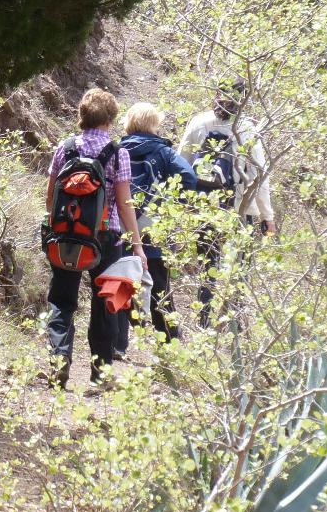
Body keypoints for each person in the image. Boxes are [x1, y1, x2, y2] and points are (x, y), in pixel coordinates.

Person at [40, 87, 143, 389]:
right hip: (106, 238)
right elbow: (124, 204)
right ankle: (101, 374)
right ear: (110, 119)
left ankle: (59, 362)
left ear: (81, 115)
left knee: (61, 301)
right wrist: (136, 244)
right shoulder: (117, 153)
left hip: (67, 237)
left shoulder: (65, 148)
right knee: (105, 303)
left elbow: (50, 199)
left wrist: (62, 223)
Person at [178, 83, 276, 322]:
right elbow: (259, 176)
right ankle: (232, 317)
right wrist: (267, 217)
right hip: (241, 206)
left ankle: (203, 316)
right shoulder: (246, 128)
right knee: (240, 264)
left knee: (207, 261)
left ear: (216, 96)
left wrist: (183, 203)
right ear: (243, 100)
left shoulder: (199, 122)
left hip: (204, 204)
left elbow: (181, 162)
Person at [119, 102, 204, 343]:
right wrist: (172, 205)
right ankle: (168, 340)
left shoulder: (117, 150)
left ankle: (121, 341)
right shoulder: (164, 152)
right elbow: (189, 177)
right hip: (155, 226)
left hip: (123, 226)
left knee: (120, 279)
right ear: (154, 124)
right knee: (159, 285)